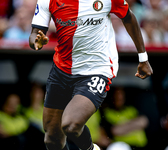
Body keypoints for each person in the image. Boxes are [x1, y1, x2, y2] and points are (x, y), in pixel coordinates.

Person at [29, 0, 153, 150]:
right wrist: (36, 42)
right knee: (52, 139)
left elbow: (128, 17)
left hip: (97, 69)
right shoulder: (47, 1)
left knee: (71, 125)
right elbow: (34, 34)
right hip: (61, 71)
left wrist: (143, 58)